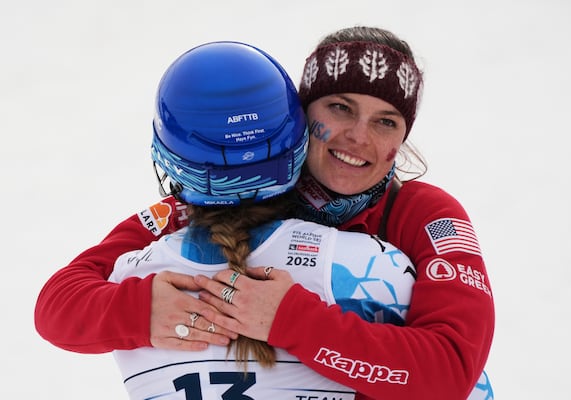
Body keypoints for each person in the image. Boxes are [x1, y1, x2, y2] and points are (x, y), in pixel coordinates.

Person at [35, 27, 494, 400]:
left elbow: (451, 373)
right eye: (340, 108)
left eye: (385, 121)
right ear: (297, 114)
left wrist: (293, 320)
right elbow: (57, 305)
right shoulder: (220, 193)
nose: (358, 136)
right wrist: (138, 310)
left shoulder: (425, 214)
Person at [106, 40, 418, 399]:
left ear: (172, 160)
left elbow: (57, 304)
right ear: (297, 139)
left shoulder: (123, 277)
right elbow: (458, 381)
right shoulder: (374, 265)